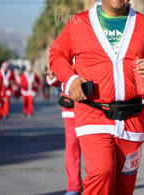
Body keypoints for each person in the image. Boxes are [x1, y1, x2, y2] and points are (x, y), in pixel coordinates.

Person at [49, 0, 144, 195]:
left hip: (133, 118)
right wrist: (71, 79)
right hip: (93, 113)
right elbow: (57, 55)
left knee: (124, 185)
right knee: (101, 173)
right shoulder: (79, 23)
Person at [45, 67, 83, 195]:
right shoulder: (64, 50)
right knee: (72, 149)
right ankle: (74, 187)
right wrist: (52, 74)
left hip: (91, 110)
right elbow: (56, 79)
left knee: (93, 151)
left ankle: (92, 187)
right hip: (70, 110)